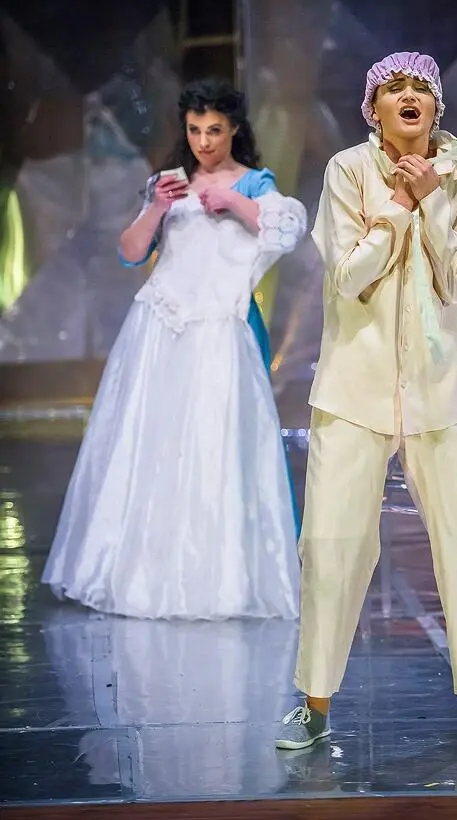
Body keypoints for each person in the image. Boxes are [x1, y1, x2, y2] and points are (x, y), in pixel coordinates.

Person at [275, 52, 457, 748]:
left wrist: (431, 200)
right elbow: (347, 277)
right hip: (353, 388)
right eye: (393, 88)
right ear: (373, 109)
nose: (409, 97)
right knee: (331, 545)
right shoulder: (348, 170)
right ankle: (313, 706)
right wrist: (397, 208)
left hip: (440, 388)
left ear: (436, 106)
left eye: (421, 88)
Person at [42, 78, 306, 620]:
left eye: (214, 130)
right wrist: (157, 208)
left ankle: (215, 581)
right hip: (160, 329)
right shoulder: (169, 184)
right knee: (152, 445)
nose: (204, 141)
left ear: (234, 129)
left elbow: (285, 229)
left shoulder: (255, 184)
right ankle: (144, 574)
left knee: (212, 446)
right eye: (195, 130)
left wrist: (233, 200)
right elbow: (130, 251)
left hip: (218, 332)